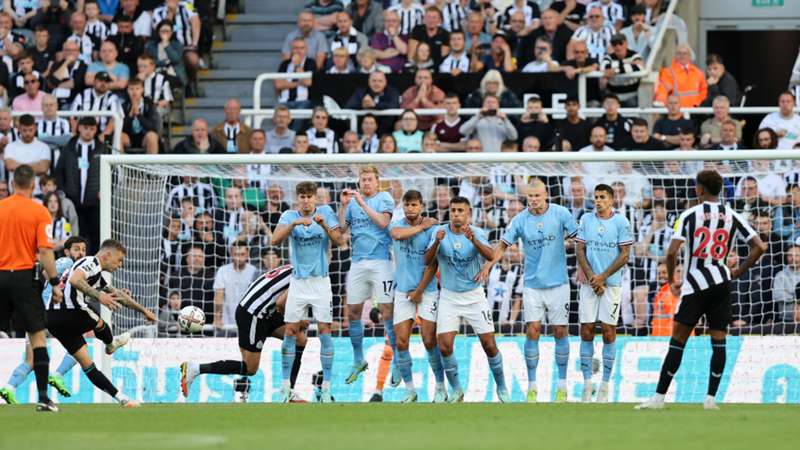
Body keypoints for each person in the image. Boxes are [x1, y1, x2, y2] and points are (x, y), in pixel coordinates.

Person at [637, 170, 767, 411]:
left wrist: (674, 282)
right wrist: (737, 271)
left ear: (699, 189)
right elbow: (760, 246)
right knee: (718, 340)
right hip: (722, 283)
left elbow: (672, 252)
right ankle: (710, 399)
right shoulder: (732, 214)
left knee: (678, 339)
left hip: (695, 284)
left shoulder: (687, 215)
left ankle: (658, 397)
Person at [480, 180, 578, 402]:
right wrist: (488, 264)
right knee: (533, 330)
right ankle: (532, 386)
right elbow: (503, 245)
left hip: (559, 284)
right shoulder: (520, 219)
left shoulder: (561, 214)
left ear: (546, 195)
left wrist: (583, 265)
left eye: (537, 195)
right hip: (533, 285)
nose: (533, 199)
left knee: (560, 331)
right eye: (530, 196)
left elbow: (578, 239)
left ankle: (562, 385)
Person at [47, 239, 155, 408]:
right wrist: (99, 296)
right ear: (107, 255)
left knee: (88, 364)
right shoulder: (92, 263)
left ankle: (122, 399)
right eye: (119, 260)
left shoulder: (95, 274)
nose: (120, 265)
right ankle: (111, 343)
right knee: (96, 319)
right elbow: (75, 280)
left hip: (53, 319)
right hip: (69, 313)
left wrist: (143, 311)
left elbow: (118, 295)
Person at [180, 262, 310, 403]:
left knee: (300, 339)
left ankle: (289, 392)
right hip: (253, 315)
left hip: (261, 311)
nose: (330, 257)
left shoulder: (297, 267)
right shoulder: (304, 275)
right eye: (327, 254)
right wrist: (298, 320)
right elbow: (280, 303)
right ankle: (195, 369)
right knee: (250, 368)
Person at [424, 196, 509, 403]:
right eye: (453, 210)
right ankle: (457, 390)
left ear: (468, 213)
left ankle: (502, 387)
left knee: (489, 344)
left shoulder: (477, 233)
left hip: (474, 296)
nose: (456, 214)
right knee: (444, 345)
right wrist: (436, 242)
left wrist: (474, 241)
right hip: (449, 297)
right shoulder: (439, 232)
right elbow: (426, 261)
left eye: (460, 211)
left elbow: (490, 256)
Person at [271, 182, 342, 402]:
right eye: (302, 197)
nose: (306, 200)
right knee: (291, 330)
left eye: (310, 197)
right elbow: (274, 240)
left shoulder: (326, 213)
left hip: (320, 282)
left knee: (324, 331)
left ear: (315, 198)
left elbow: (339, 241)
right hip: (299, 282)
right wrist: (293, 224)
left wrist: (324, 226)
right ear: (297, 198)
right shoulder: (289, 216)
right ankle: (285, 387)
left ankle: (328, 386)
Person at [0, 173, 66, 409]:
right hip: (23, 278)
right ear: (33, 185)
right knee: (38, 337)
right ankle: (43, 398)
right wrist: (56, 282)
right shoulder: (39, 212)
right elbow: (46, 252)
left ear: (12, 184)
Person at [0, 236, 87, 405]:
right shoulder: (66, 262)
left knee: (31, 360)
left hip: (38, 315)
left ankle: (9, 387)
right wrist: (55, 287)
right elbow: (47, 273)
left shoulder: (79, 269)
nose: (81, 253)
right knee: (80, 347)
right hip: (51, 313)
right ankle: (58, 375)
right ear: (67, 251)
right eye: (77, 249)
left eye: (83, 249)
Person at [575, 183, 633, 403]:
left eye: (602, 197)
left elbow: (625, 254)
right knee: (587, 330)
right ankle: (587, 382)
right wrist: (592, 276)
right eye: (595, 197)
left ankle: (605, 385)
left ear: (611, 200)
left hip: (611, 285)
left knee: (608, 332)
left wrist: (603, 276)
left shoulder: (621, 222)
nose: (597, 200)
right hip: (589, 284)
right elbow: (579, 249)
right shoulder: (586, 220)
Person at [338, 166, 395, 385]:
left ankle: (398, 358)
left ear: (377, 181)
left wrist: (361, 203)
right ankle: (358, 359)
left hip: (382, 262)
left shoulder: (384, 198)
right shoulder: (352, 204)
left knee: (387, 311)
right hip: (358, 263)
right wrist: (343, 207)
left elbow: (383, 222)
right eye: (363, 180)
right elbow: (342, 230)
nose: (366, 183)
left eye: (370, 179)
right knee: (352, 312)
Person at [389, 189, 444, 403]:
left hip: (427, 292)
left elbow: (432, 262)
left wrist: (420, 290)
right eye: (407, 205)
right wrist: (421, 226)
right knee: (401, 342)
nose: (410, 209)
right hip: (403, 291)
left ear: (421, 205)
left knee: (429, 341)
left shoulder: (434, 229)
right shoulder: (398, 224)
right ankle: (410, 390)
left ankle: (440, 387)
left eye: (414, 205)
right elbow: (396, 235)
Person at [54, 117, 109, 253]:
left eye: (92, 129)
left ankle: (96, 268)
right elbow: (59, 171)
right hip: (74, 202)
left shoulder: (103, 148)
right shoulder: (68, 148)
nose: (88, 132)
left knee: (96, 237)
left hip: (95, 202)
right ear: (79, 128)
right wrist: (63, 192)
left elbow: (113, 172)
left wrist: (106, 190)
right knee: (76, 237)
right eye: (85, 128)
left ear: (96, 130)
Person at [212, 241, 258, 332]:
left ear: (248, 254)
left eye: (242, 254)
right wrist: (217, 318)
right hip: (226, 324)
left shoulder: (254, 271)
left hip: (248, 324)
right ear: (231, 254)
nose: (239, 258)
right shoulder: (223, 271)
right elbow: (218, 297)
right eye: (236, 254)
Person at [3, 114, 50, 194]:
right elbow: (10, 165)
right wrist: (35, 165)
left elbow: (43, 168)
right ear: (19, 129)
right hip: (16, 194)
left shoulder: (44, 147)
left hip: (38, 193)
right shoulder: (10, 147)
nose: (27, 133)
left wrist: (18, 166)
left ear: (35, 128)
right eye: (24, 130)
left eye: (30, 130)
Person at [653, 44, 708, 108]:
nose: (682, 56)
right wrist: (660, 102)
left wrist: (698, 104)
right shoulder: (668, 72)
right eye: (679, 53)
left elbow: (704, 91)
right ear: (675, 56)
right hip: (678, 111)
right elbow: (662, 91)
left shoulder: (698, 73)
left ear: (689, 56)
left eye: (685, 53)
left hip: (695, 111)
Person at [601, 33, 643, 107]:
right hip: (613, 97)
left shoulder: (634, 55)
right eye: (614, 44)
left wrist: (616, 70)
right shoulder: (608, 57)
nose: (618, 46)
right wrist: (628, 64)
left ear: (626, 43)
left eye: (620, 43)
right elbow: (604, 67)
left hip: (631, 96)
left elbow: (639, 67)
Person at [120, 77, 160, 154]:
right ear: (127, 90)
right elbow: (121, 128)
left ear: (142, 90)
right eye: (131, 89)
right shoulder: (124, 105)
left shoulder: (149, 104)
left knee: (152, 136)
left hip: (145, 136)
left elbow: (153, 128)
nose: (134, 92)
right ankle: (120, 166)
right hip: (129, 137)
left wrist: (138, 115)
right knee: (119, 136)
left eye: (137, 88)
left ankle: (151, 165)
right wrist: (131, 116)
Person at [370, 9, 408, 73]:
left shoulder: (405, 36)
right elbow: (376, 54)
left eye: (394, 21)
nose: (391, 23)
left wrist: (394, 35)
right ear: (384, 23)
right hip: (380, 71)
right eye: (388, 21)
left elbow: (404, 51)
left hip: (400, 72)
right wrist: (397, 51)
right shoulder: (377, 36)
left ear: (399, 23)